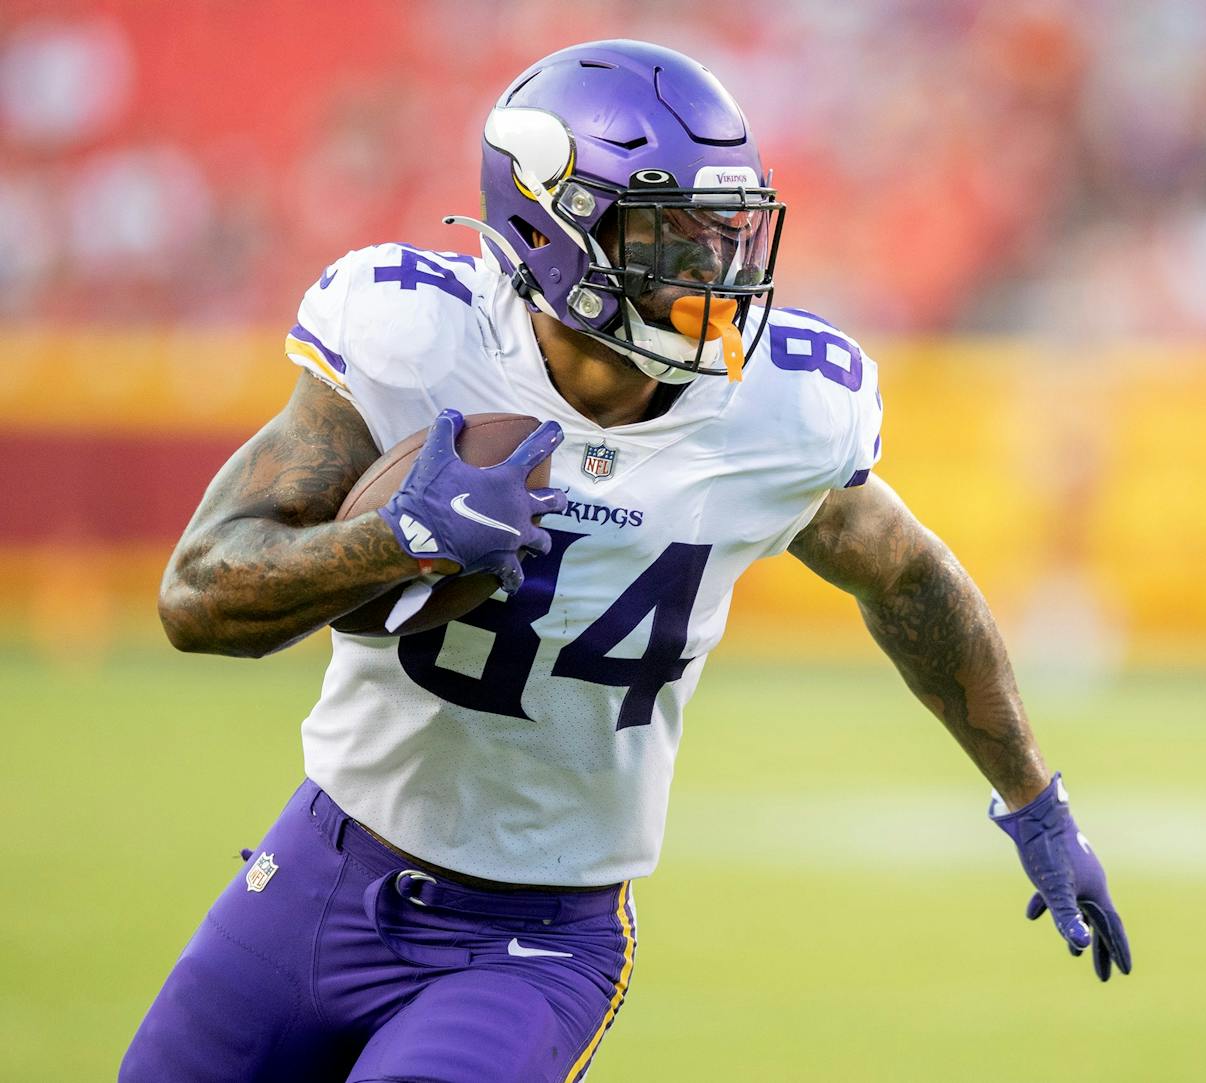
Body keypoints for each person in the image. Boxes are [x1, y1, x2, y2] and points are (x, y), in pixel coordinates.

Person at [121, 39, 1130, 1083]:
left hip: (535, 939)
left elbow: (909, 577)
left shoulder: (777, 410)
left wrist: (1033, 801)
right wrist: (399, 537)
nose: (713, 273)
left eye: (726, 234)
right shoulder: (419, 342)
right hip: (319, 874)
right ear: (548, 227)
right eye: (669, 234)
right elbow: (196, 598)